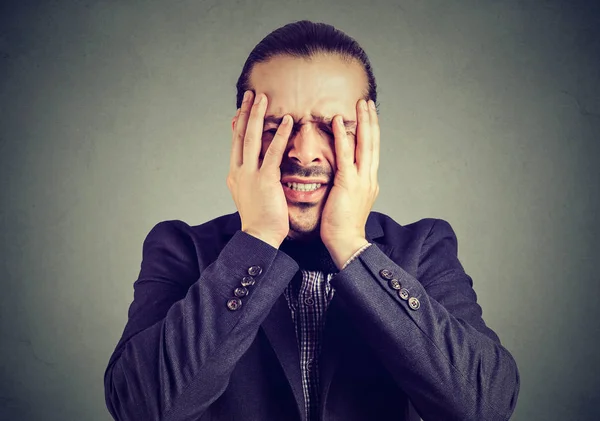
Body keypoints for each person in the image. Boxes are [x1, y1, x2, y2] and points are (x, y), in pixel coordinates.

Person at [104, 20, 520, 421]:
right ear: (241, 136)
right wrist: (259, 239)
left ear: (368, 140)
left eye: (334, 128)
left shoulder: (424, 246)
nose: (304, 153)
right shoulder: (180, 249)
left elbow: (483, 407)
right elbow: (141, 409)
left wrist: (352, 247)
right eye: (275, 126)